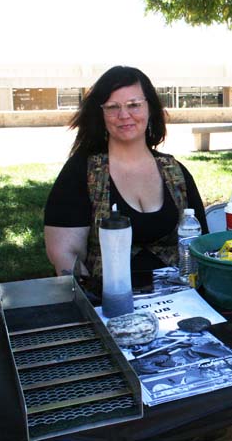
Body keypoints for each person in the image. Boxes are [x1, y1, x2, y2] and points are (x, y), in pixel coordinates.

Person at [44, 65, 208, 295]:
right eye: (112, 107)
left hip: (181, 302)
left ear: (150, 108)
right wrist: (92, 303)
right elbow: (64, 254)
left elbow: (202, 245)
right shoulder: (82, 172)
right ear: (100, 114)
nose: (124, 115)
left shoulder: (176, 172)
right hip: (109, 304)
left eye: (134, 105)